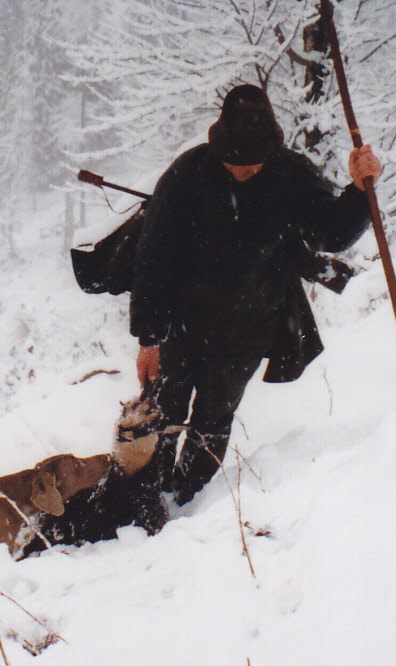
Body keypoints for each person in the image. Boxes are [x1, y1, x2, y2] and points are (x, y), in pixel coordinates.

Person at [129, 82, 380, 518]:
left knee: (212, 423)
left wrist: (360, 190)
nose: (242, 171)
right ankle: (145, 502)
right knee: (162, 416)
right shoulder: (189, 173)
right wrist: (148, 337)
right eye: (234, 163)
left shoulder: (289, 174)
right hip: (183, 325)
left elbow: (331, 231)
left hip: (247, 329)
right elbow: (154, 257)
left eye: (253, 164)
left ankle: (184, 503)